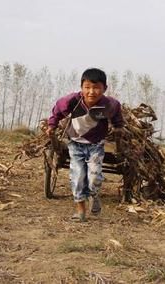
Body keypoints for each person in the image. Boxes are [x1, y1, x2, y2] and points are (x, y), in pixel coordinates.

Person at [47, 68, 124, 222]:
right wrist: (52, 125)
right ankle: (80, 210)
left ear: (104, 89)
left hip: (96, 144)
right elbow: (57, 111)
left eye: (96, 88)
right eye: (87, 87)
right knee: (77, 177)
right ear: (81, 87)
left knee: (94, 177)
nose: (91, 92)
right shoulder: (72, 101)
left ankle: (94, 195)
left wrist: (118, 126)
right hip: (75, 144)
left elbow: (116, 115)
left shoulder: (109, 105)